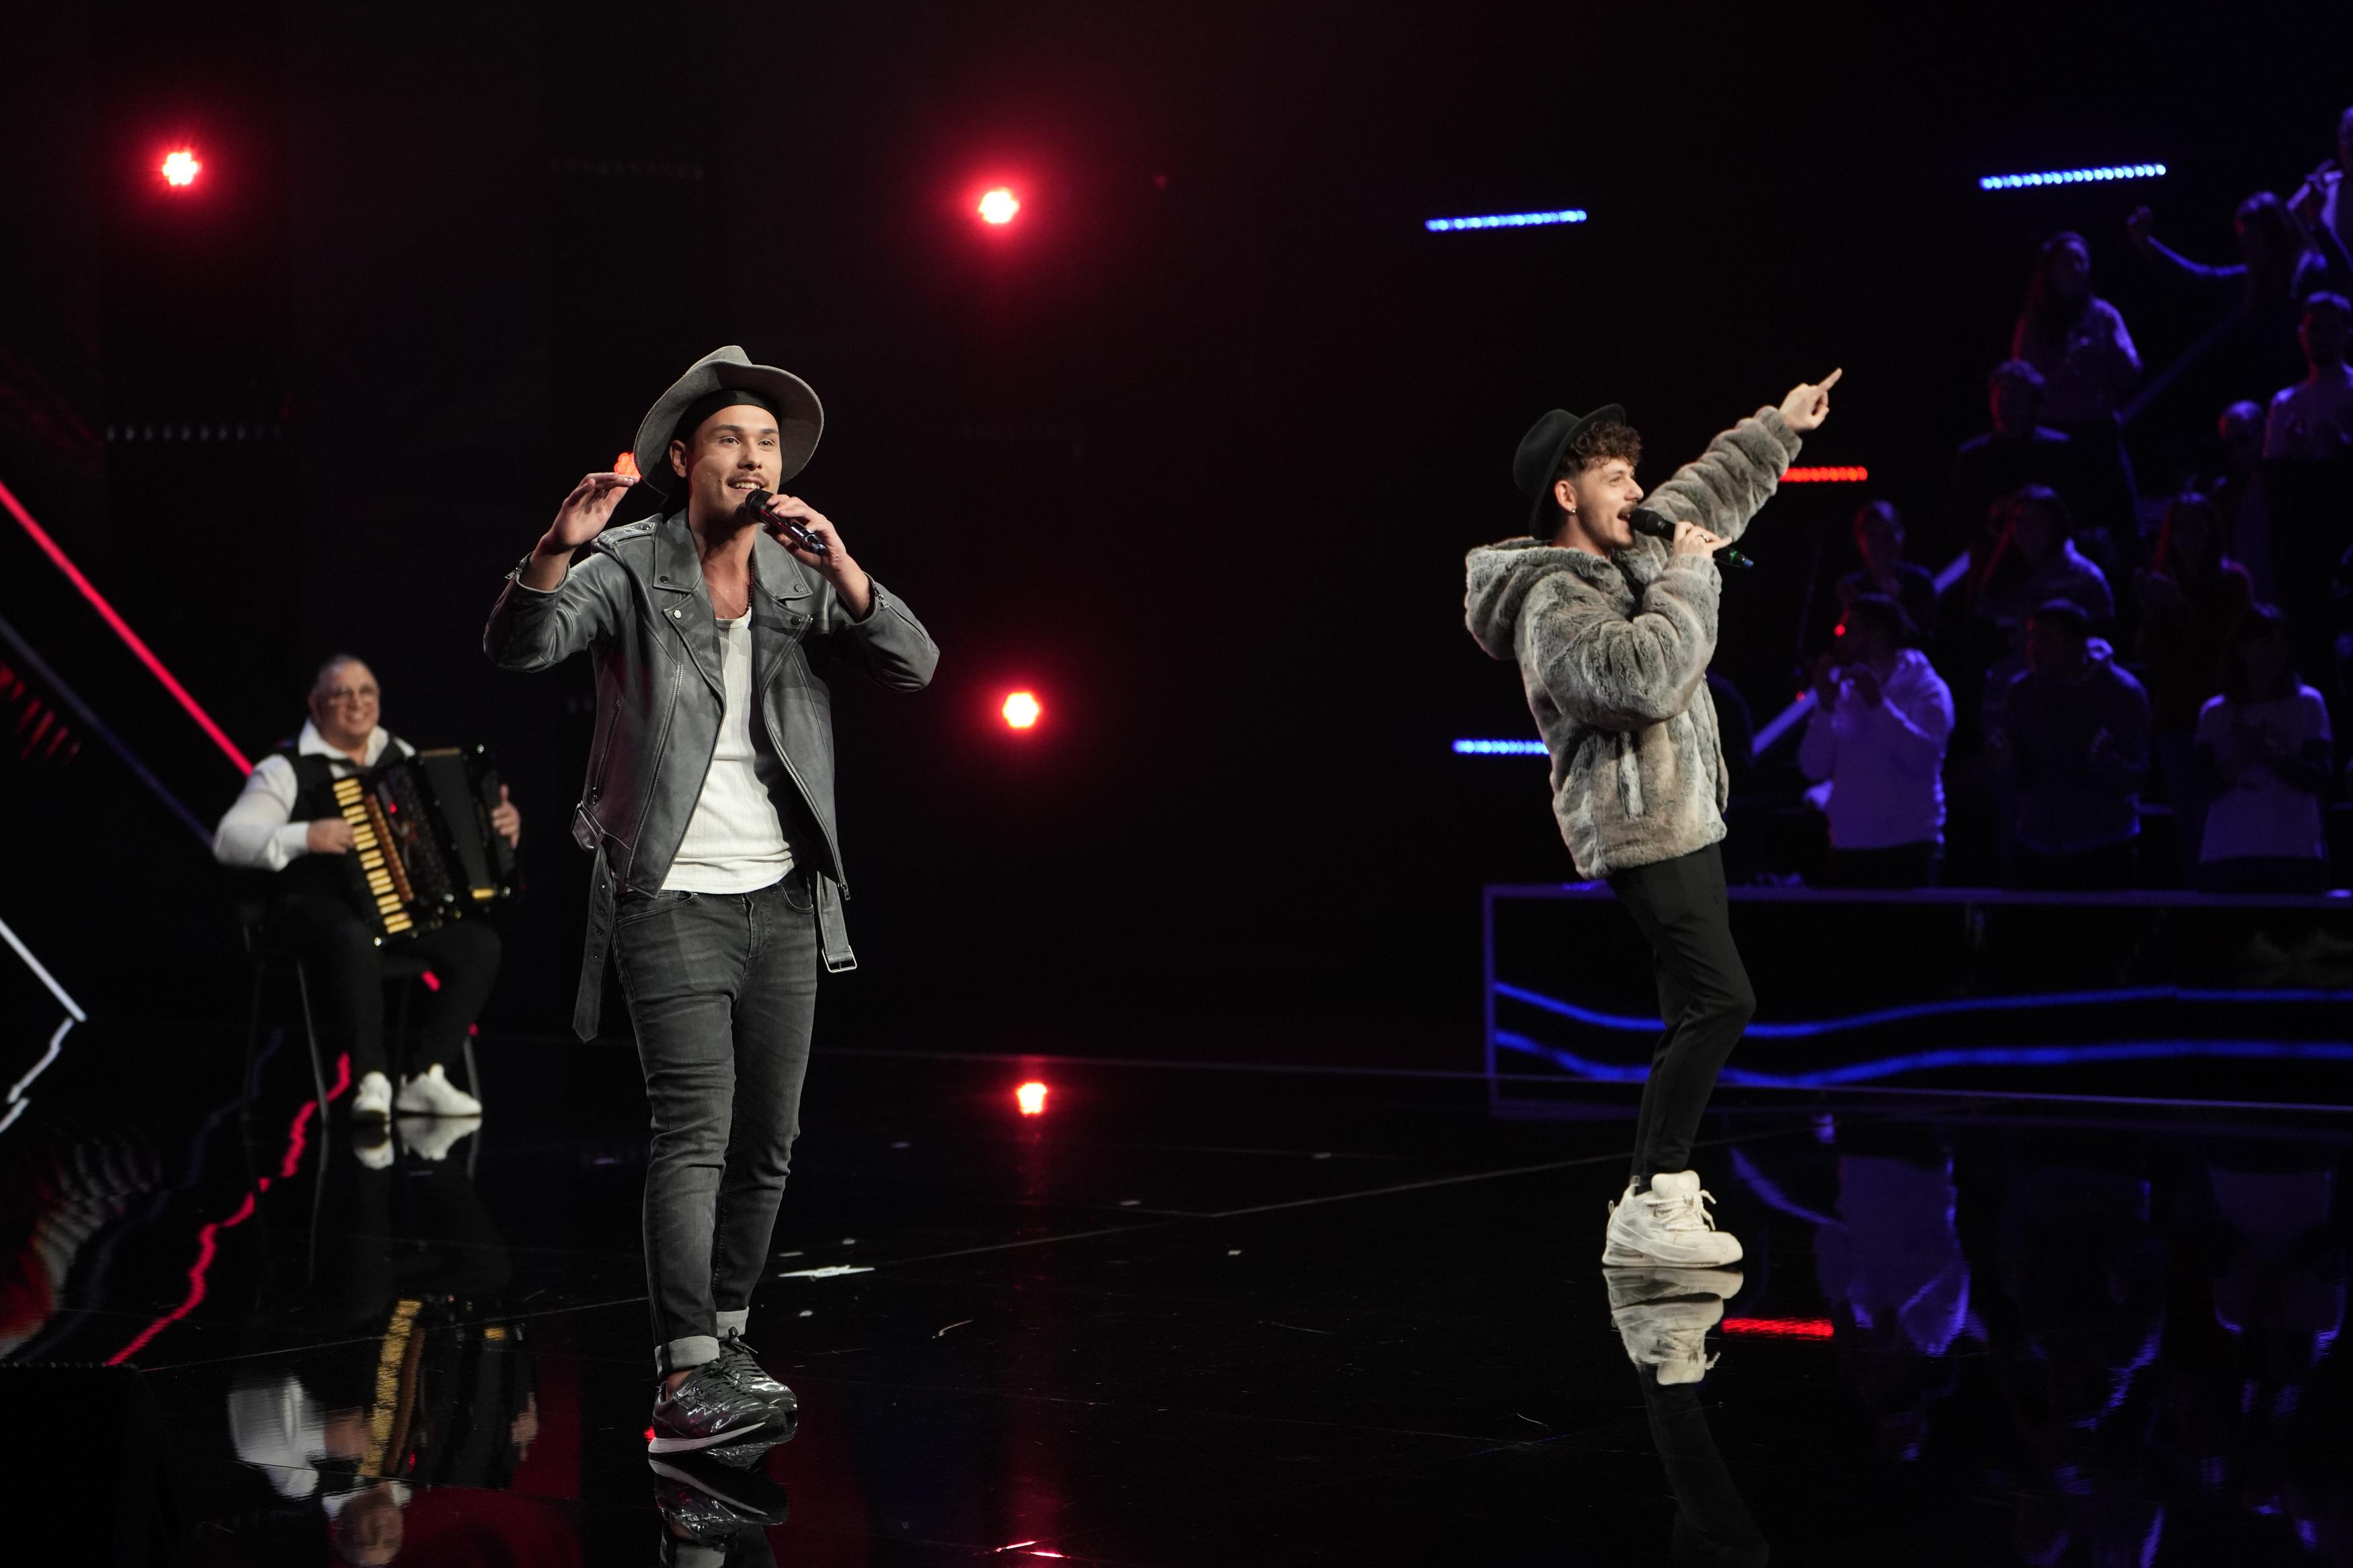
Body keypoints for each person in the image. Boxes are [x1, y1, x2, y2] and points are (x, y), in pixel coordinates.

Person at [482, 345, 938, 1459]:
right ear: (685, 457)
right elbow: (521, 645)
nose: (753, 458)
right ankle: (685, 1367)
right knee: (696, 1128)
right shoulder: (629, 563)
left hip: (782, 897)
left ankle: (728, 1341)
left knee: (769, 1139)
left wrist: (845, 568)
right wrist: (555, 549)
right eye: (732, 439)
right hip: (669, 894)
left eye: (768, 443)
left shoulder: (797, 570)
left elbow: (916, 664)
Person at [1464, 369, 1841, 1269]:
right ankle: (1652, 1193)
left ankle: (1654, 1200)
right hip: (1638, 825)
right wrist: (1691, 576)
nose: (1636, 489)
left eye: (1634, 473)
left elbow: (1709, 484)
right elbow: (1639, 681)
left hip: (1690, 816)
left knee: (1691, 1009)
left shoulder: (1638, 543)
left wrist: (1782, 426)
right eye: (1616, 477)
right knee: (1723, 999)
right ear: (1568, 494)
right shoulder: (1553, 600)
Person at [214, 655, 515, 1121]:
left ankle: (426, 1075)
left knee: (478, 944)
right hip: (308, 911)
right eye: (342, 694)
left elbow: (441, 832)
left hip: (392, 913)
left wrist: (495, 827)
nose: (357, 703)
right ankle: (369, 1080)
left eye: (366, 692)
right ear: (317, 704)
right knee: (351, 936)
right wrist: (305, 835)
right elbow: (230, 841)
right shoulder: (283, 768)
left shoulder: (398, 753)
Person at [1989, 600, 2151, 889]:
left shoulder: (2122, 693)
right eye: (2031, 637)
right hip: (2036, 846)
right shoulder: (2021, 693)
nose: (2034, 648)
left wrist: (2105, 763)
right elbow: (2018, 773)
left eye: (2046, 638)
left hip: (2103, 848)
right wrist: (2006, 765)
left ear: (2076, 643)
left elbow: (2138, 775)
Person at [2135, 495, 2253, 885]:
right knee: (2189, 823)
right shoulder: (2165, 581)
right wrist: (2152, 611)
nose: (2188, 537)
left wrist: (2179, 606)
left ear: (2212, 532)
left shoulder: (2232, 581)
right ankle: (2197, 905)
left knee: (2224, 816)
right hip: (2175, 717)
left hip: (2223, 714)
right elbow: (2151, 655)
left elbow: (2220, 646)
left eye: (2197, 527)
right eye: (2180, 528)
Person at [1799, 593, 1955, 888]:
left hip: (1909, 846)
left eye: (1848, 631)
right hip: (1848, 846)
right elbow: (1812, 767)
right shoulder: (1844, 692)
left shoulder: (1928, 689)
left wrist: (1878, 705)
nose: (1840, 640)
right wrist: (1826, 705)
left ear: (1878, 635)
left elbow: (1922, 758)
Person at [2011, 232, 2141, 542]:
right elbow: (2021, 386)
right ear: (2051, 271)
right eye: (2066, 262)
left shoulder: (2105, 315)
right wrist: (2067, 366)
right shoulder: (2034, 323)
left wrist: (2109, 351)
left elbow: (2133, 370)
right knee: (2060, 526)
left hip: (2101, 432)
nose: (2075, 269)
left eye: (2080, 261)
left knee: (2125, 524)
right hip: (2053, 437)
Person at [2194, 604, 2333, 893]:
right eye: (2266, 641)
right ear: (2242, 647)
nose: (2275, 652)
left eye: (2282, 643)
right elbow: (2200, 787)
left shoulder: (2309, 704)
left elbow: (2319, 777)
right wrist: (2244, 755)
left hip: (2294, 853)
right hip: (2229, 854)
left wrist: (2272, 755)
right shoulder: (2214, 713)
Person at [2263, 292, 2353, 684]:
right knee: (2313, 638)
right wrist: (2295, 457)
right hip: (2306, 535)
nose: (2321, 337)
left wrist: (2344, 449)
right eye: (2314, 328)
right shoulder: (2286, 402)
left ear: (2347, 334)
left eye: (2330, 328)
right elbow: (2272, 480)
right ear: (2301, 335)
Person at [1836, 499, 1939, 642]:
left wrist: (1896, 605)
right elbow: (1838, 638)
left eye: (1888, 535)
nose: (1881, 545)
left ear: (1901, 537)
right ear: (1859, 540)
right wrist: (1848, 613)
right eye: (1873, 536)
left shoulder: (1919, 582)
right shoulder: (1850, 586)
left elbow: (1926, 643)